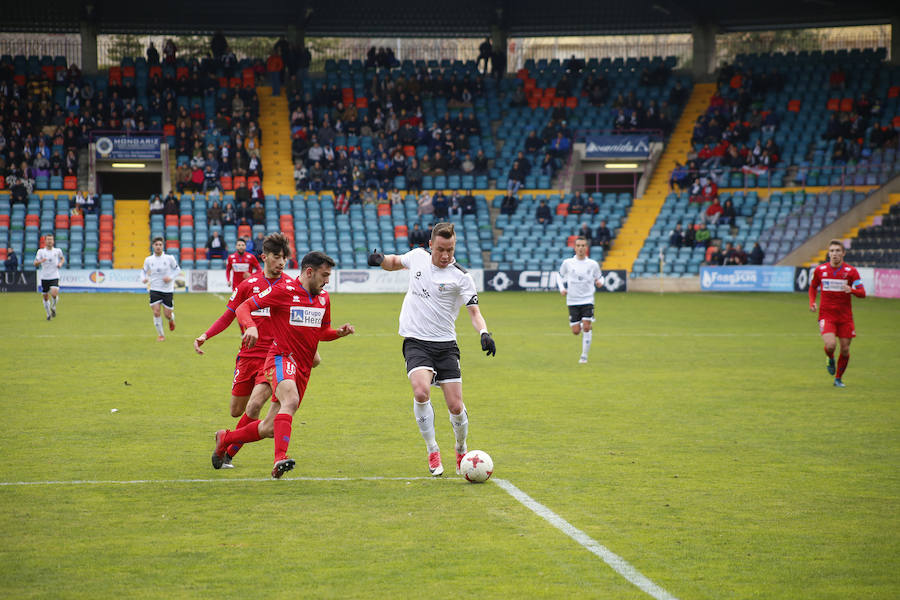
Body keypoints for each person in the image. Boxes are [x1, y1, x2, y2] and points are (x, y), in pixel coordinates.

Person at [367, 222, 496, 477]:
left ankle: (461, 448)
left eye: (450, 249)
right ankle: (432, 448)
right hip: (416, 340)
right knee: (421, 391)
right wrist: (380, 259)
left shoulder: (461, 277)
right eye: (441, 250)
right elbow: (394, 262)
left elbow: (474, 313)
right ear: (430, 246)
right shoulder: (417, 257)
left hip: (446, 345)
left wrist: (484, 333)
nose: (446, 255)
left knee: (456, 406)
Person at [212, 251, 355, 479]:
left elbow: (322, 332)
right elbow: (243, 308)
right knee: (291, 400)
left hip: (303, 368)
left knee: (269, 428)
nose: (327, 281)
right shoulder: (283, 291)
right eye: (324, 275)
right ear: (310, 272)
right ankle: (279, 459)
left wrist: (338, 333)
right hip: (280, 357)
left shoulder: (323, 298)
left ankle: (226, 438)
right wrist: (250, 326)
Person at [195, 233, 321, 469]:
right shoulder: (248, 285)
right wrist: (206, 335)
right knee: (237, 410)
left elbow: (303, 321)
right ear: (264, 257)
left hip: (275, 355)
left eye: (284, 258)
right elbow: (229, 315)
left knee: (256, 405)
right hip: (248, 355)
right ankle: (226, 440)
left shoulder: (290, 287)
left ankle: (229, 452)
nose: (281, 263)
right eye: (276, 257)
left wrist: (310, 350)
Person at [809, 240, 866, 388]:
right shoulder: (820, 270)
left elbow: (862, 293)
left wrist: (851, 290)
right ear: (828, 253)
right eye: (832, 251)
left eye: (837, 251)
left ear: (843, 253)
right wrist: (812, 302)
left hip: (845, 317)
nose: (834, 254)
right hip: (826, 315)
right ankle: (830, 358)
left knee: (845, 349)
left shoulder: (851, 271)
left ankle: (838, 379)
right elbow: (813, 286)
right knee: (830, 345)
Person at [558, 237, 603, 364]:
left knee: (587, 328)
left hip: (588, 299)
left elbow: (600, 277)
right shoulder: (568, 263)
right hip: (572, 300)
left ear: (586, 247)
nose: (581, 248)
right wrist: (562, 288)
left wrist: (600, 282)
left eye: (583, 245)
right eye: (578, 245)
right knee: (576, 331)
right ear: (575, 247)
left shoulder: (593, 264)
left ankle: (584, 356)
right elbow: (559, 276)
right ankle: (584, 323)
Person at [141, 237, 179, 341]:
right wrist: (143, 278)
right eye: (156, 245)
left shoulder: (169, 258)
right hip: (154, 289)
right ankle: (161, 335)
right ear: (153, 246)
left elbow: (177, 270)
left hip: (167, 290)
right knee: (156, 312)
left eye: (160, 245)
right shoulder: (148, 260)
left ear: (163, 246)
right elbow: (143, 271)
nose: (158, 246)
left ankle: (171, 319)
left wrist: (170, 277)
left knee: (167, 314)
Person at [33, 234, 65, 321]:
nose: (50, 241)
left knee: (54, 294)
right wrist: (40, 261)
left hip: (54, 276)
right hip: (44, 277)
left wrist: (60, 264)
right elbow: (35, 263)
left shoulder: (57, 251)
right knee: (45, 297)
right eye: (48, 240)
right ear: (45, 241)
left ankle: (53, 307)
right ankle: (48, 314)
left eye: (51, 239)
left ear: (53, 241)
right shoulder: (41, 252)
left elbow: (62, 258)